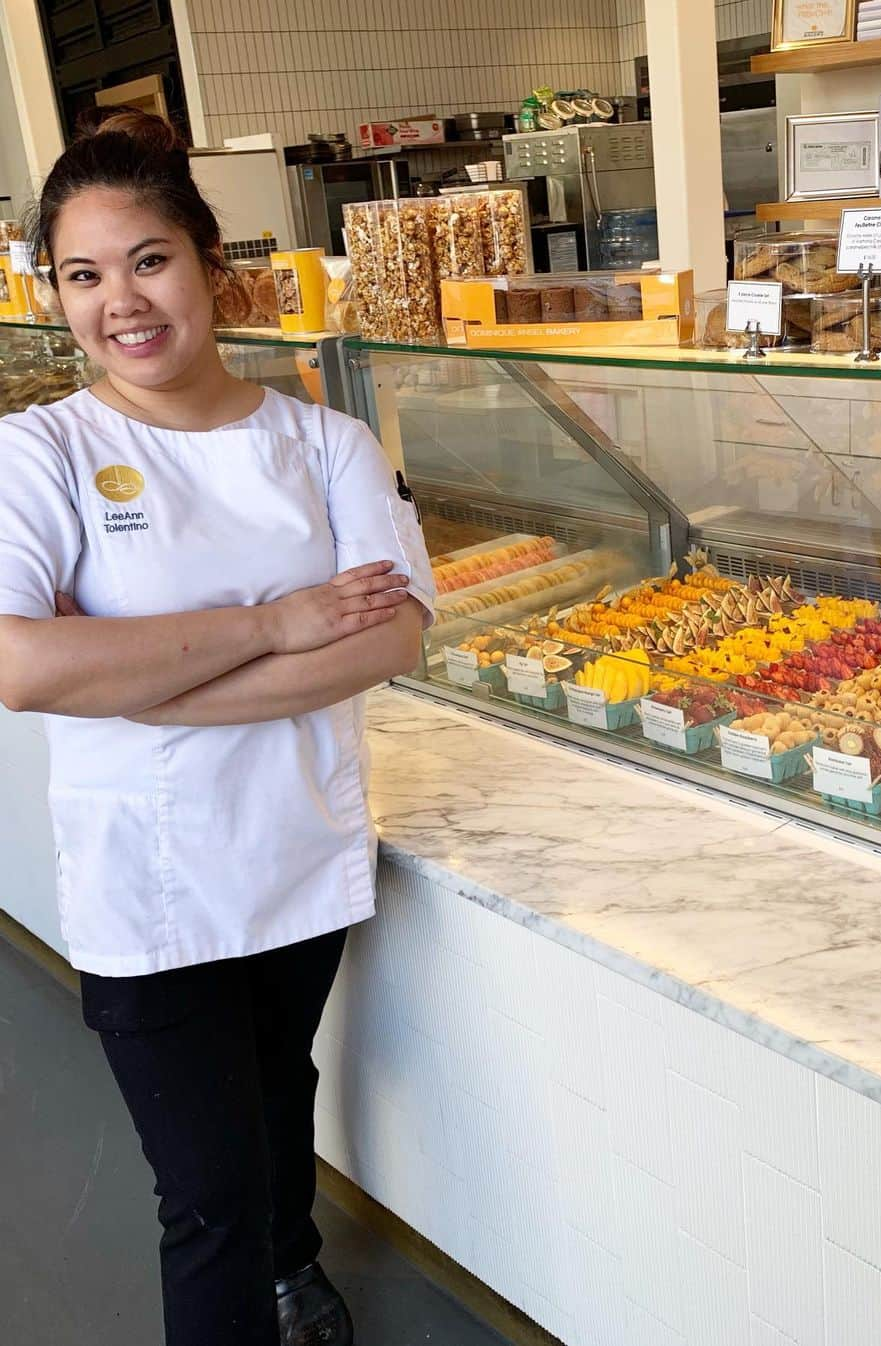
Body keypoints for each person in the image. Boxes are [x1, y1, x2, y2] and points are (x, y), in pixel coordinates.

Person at [0, 106, 436, 1346]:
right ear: (59, 293)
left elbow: (394, 637)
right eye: (83, 274)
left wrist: (134, 670)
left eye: (148, 260)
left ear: (210, 265)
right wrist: (285, 620)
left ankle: (294, 1263)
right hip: (149, 884)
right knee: (205, 1201)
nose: (121, 302)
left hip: (296, 848)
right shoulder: (39, 455)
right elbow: (21, 663)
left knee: (277, 1092)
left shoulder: (325, 440)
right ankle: (262, 1275)